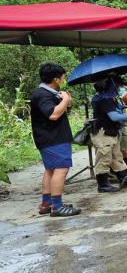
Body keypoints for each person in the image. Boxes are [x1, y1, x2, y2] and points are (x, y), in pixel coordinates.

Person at [30, 63, 80, 217]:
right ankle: (57, 206)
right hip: (54, 139)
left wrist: (65, 101)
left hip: (49, 138)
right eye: (63, 77)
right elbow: (53, 114)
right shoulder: (43, 95)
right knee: (61, 169)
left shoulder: (47, 93)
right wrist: (65, 99)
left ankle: (47, 203)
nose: (64, 80)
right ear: (56, 79)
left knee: (51, 170)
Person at [91, 76, 127, 192]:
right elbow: (114, 117)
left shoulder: (106, 98)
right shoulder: (104, 99)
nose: (119, 89)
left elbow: (115, 116)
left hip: (111, 132)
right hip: (103, 133)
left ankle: (125, 180)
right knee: (104, 158)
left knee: (117, 157)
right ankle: (103, 185)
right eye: (118, 86)